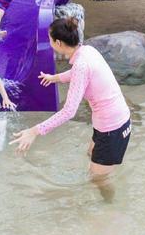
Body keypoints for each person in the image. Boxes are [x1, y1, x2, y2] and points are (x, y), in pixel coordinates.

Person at [10, 18, 132, 200]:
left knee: (98, 181)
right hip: (113, 121)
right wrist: (56, 78)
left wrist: (35, 131)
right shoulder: (87, 51)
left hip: (112, 128)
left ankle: (110, 212)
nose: (50, 43)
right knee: (90, 153)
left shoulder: (81, 64)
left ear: (58, 43)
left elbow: (69, 112)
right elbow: (79, 74)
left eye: (50, 40)